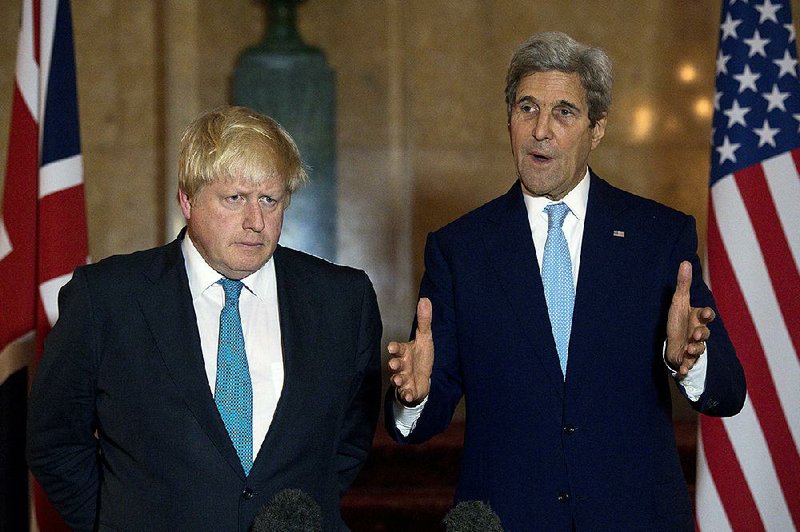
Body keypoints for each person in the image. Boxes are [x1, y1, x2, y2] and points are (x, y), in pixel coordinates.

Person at [385, 32, 746, 531]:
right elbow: (418, 423)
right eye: (527, 108)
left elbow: (727, 393)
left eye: (564, 113)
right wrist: (415, 395)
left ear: (597, 129)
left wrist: (691, 359)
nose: (541, 131)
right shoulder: (460, 250)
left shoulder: (658, 238)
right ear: (508, 119)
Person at [27, 105, 382, 531]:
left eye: (270, 199)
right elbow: (55, 442)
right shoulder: (107, 299)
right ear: (188, 200)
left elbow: (348, 443)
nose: (256, 222)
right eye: (235, 199)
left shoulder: (342, 300)